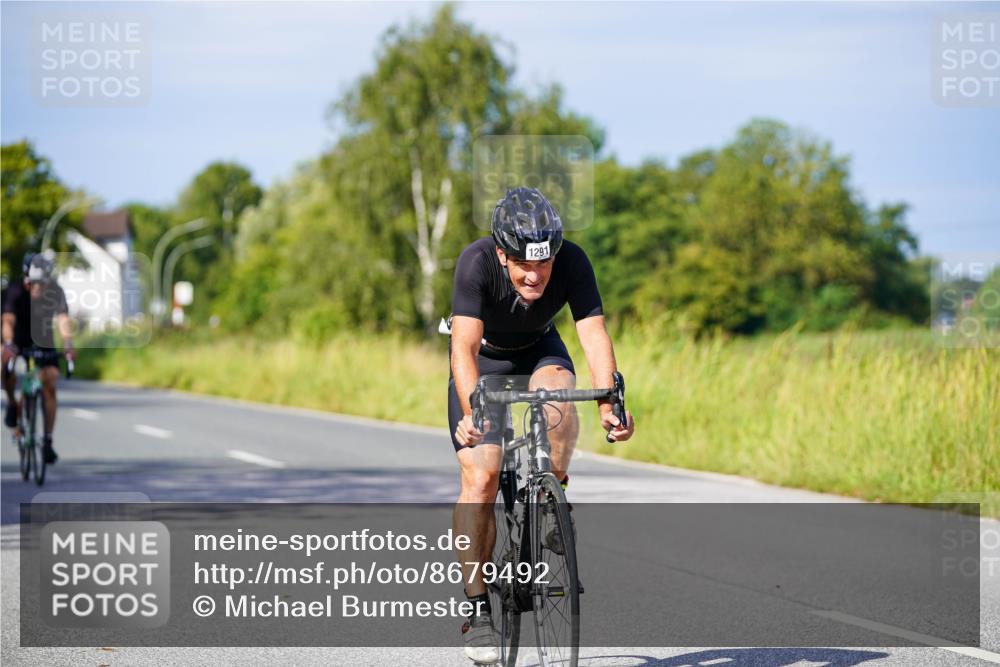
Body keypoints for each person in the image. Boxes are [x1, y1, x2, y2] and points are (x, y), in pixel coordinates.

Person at [447, 187, 635, 663]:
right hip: (485, 362)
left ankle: (554, 495)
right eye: (523, 265)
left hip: (539, 349)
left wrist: (609, 403)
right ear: (502, 255)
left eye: (544, 263)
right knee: (482, 477)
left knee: (559, 398)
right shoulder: (476, 262)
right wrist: (471, 412)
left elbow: (593, 333)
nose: (535, 275)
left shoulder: (573, 260)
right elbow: (463, 347)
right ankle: (477, 608)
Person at [2, 253, 74, 464]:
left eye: (42, 283)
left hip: (43, 339)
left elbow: (63, 319)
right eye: (32, 283)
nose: (37, 288)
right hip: (17, 338)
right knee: (3, 363)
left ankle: (48, 441)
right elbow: (7, 320)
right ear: (26, 279)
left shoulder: (55, 291)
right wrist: (8, 343)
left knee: (50, 381)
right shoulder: (15, 291)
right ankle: (12, 403)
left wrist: (68, 344)